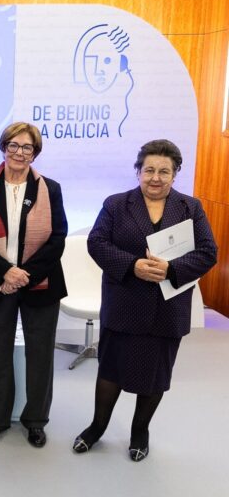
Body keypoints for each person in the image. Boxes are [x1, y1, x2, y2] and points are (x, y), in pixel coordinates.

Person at [73, 139, 217, 461]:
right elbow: (96, 242)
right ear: (138, 171)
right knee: (110, 371)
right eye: (149, 169)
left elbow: (209, 252)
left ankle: (140, 430)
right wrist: (132, 265)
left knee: (155, 376)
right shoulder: (116, 204)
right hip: (124, 302)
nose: (156, 177)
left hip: (168, 308)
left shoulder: (190, 208)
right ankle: (97, 426)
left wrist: (171, 269)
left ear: (175, 173)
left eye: (164, 171)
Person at [0, 122, 67, 448]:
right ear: (3, 147)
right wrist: (6, 272)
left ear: (35, 153)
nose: (20, 152)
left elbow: (58, 239)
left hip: (41, 282)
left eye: (27, 147)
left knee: (40, 355)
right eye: (14, 145)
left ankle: (35, 420)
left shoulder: (51, 188)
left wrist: (25, 275)